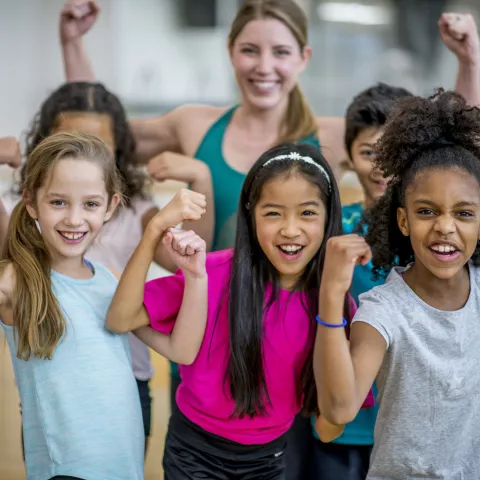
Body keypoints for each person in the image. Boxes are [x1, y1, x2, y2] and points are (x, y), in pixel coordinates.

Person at [105, 143, 374, 479]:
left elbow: (329, 426)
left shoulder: (334, 308)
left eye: (307, 213)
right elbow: (121, 317)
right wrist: (154, 231)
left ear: (328, 217)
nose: (290, 230)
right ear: (251, 214)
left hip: (271, 458)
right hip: (193, 453)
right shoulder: (213, 272)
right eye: (273, 213)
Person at [0, 81, 214, 454]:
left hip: (126, 425)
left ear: (109, 206)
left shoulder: (110, 283)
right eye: (58, 202)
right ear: (33, 203)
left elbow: (181, 349)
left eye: (90, 204)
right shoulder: (18, 279)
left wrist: (195, 274)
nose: (74, 219)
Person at [314, 89, 480, 479]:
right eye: (426, 211)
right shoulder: (382, 310)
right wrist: (330, 294)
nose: (445, 226)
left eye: (464, 213)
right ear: (404, 222)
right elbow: (339, 410)